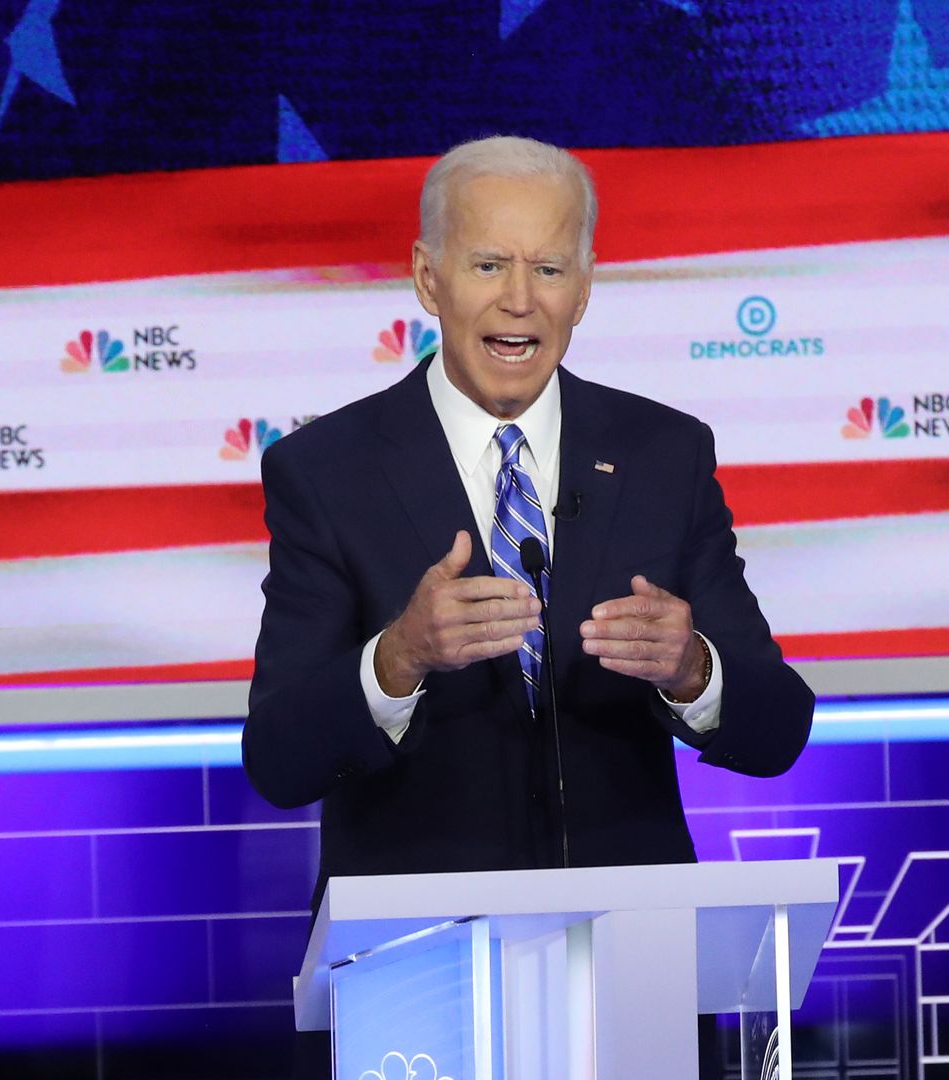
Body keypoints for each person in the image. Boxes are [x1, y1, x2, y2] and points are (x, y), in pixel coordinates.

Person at [243, 135, 813, 887]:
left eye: (548, 269)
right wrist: (399, 656)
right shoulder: (327, 471)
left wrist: (691, 667)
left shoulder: (662, 455)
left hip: (632, 951)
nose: (520, 299)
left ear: (582, 289)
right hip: (419, 960)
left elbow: (776, 732)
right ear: (427, 277)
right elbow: (281, 761)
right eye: (488, 265)